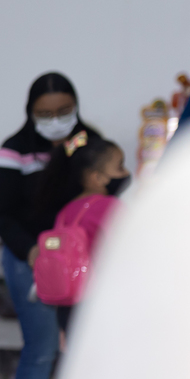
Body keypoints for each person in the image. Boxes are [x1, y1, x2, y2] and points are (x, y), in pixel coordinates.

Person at [0, 72, 102, 379]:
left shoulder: (88, 143)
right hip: (30, 260)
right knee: (41, 349)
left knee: (82, 350)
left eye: (64, 111)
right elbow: (0, 213)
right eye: (45, 114)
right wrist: (31, 250)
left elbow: (104, 196)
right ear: (30, 112)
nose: (56, 121)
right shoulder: (15, 150)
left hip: (81, 263)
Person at [36, 132, 129, 337]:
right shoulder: (110, 206)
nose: (126, 173)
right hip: (98, 305)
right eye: (120, 167)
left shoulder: (66, 210)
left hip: (67, 306)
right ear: (97, 178)